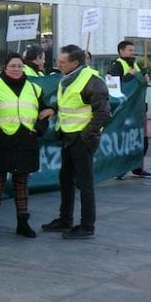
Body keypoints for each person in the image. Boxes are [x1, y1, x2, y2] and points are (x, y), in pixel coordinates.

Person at [41, 45, 111, 239]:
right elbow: (70, 102)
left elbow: (104, 114)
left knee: (84, 184)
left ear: (75, 62)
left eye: (62, 62)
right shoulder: (69, 77)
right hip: (68, 137)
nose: (57, 64)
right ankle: (65, 220)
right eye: (58, 60)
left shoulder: (93, 81)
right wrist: (53, 108)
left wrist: (85, 136)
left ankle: (87, 226)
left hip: (81, 139)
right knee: (66, 180)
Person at [0, 54, 51, 240]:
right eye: (12, 65)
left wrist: (38, 130)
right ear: (5, 67)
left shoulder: (35, 88)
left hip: (26, 140)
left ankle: (23, 223)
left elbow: (44, 113)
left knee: (21, 184)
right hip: (0, 140)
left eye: (19, 66)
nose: (16, 69)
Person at [107, 40, 150, 178]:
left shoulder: (135, 64)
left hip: (139, 108)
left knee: (141, 141)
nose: (133, 52)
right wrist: (130, 75)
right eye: (129, 50)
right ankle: (121, 169)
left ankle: (138, 168)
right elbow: (113, 86)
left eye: (133, 50)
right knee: (125, 140)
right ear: (121, 51)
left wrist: (144, 77)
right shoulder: (117, 65)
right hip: (126, 110)